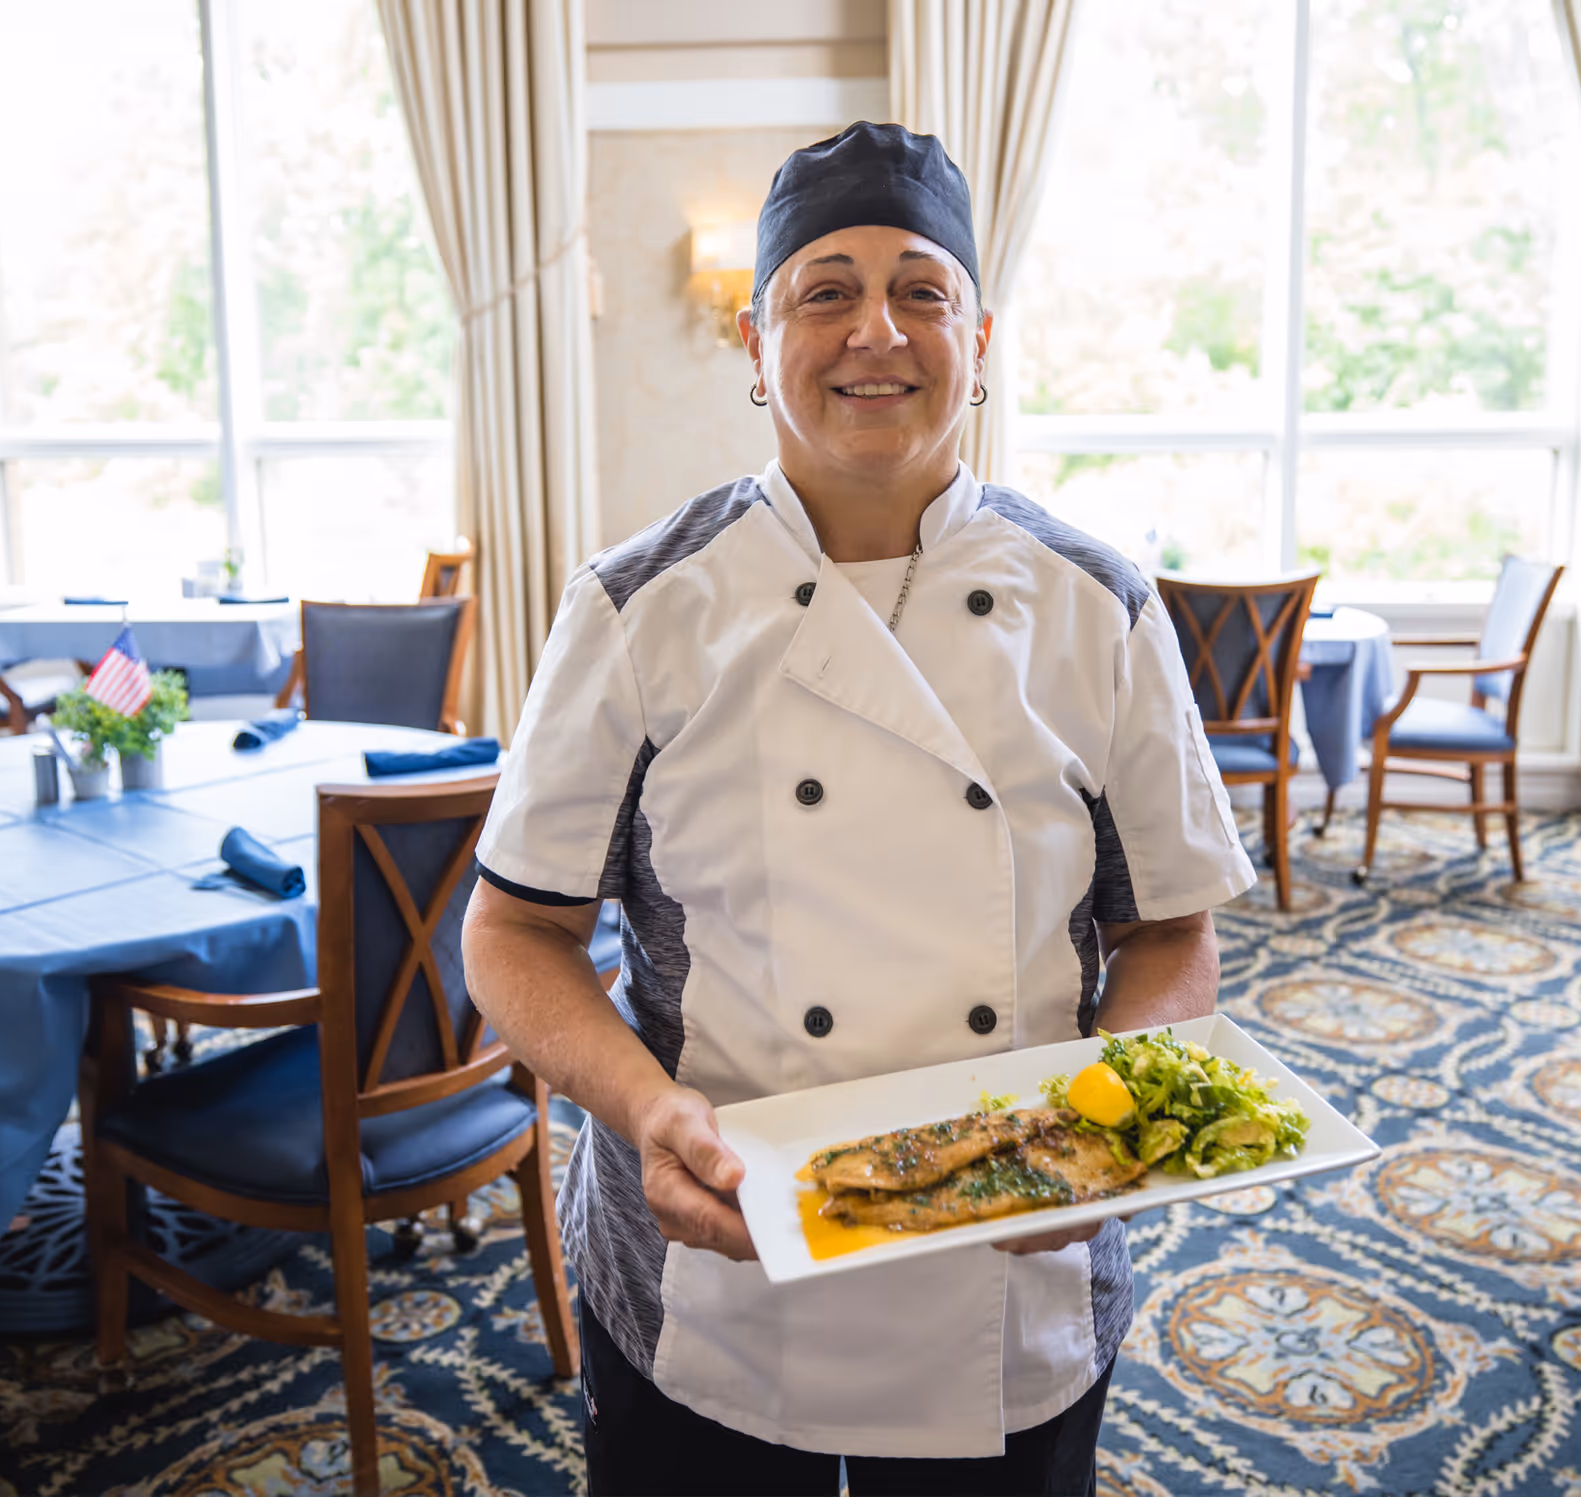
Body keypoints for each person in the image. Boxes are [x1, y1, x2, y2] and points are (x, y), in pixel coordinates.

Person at [462, 121, 1255, 1496]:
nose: (875, 330)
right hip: (716, 1264)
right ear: (757, 349)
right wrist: (649, 1116)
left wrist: (1100, 1125)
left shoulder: (1099, 605)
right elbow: (513, 935)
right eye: (824, 289)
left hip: (1015, 1271)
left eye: (921, 291)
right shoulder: (638, 605)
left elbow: (1173, 938)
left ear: (982, 341)